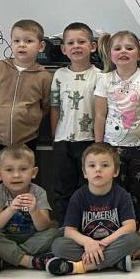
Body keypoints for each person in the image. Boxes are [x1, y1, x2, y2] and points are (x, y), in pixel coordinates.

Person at [0, 18, 52, 194]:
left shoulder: (44, 77)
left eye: (28, 41)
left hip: (26, 139)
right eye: (16, 40)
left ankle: (23, 209)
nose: (22, 45)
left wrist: (30, 118)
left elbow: (46, 105)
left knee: (23, 182)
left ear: (40, 46)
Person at [47, 142, 139, 275]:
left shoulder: (122, 195)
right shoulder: (78, 196)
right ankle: (115, 261)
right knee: (59, 245)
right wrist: (88, 242)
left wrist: (102, 244)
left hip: (110, 243)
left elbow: (130, 227)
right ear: (84, 172)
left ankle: (81, 267)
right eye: (92, 165)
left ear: (116, 171)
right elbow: (69, 231)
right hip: (86, 245)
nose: (98, 170)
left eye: (105, 165)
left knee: (133, 239)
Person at [94, 30, 140, 214]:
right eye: (118, 48)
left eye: (129, 48)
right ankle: (117, 222)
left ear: (139, 54)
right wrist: (99, 145)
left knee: (139, 189)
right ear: (110, 54)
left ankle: (137, 222)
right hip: (112, 146)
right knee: (115, 188)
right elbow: (100, 114)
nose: (123, 51)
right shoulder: (104, 79)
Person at [0, 145, 61, 273]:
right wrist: (10, 210)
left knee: (55, 232)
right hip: (5, 238)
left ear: (34, 172)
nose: (16, 175)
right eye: (9, 170)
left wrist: (34, 211)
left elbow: (43, 227)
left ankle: (6, 258)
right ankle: (27, 260)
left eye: (23, 169)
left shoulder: (39, 193)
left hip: (32, 238)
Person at [50, 22, 100, 221]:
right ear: (63, 49)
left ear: (92, 46)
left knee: (88, 186)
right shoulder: (59, 75)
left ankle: (87, 224)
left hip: (89, 140)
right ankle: (64, 225)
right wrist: (55, 136)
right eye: (70, 43)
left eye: (81, 42)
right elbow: (54, 107)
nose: (76, 46)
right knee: (63, 186)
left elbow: (102, 111)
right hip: (63, 140)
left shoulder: (100, 76)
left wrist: (100, 141)